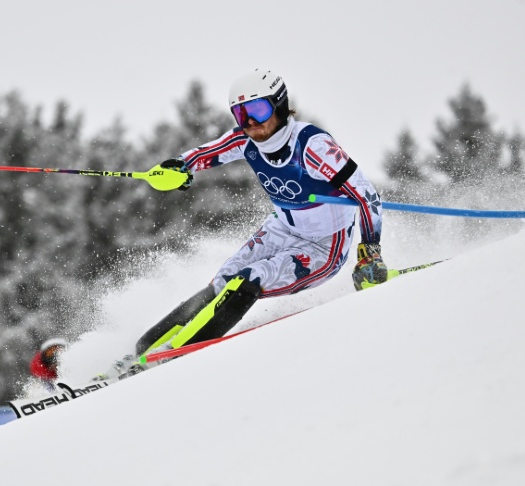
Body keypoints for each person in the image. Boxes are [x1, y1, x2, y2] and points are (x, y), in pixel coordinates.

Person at [104, 68, 387, 377]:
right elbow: (208, 152)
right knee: (225, 277)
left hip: (325, 244)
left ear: (278, 106)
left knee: (251, 278)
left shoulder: (312, 146)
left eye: (257, 110)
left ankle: (173, 358)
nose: (250, 122)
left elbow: (367, 195)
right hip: (282, 227)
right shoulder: (246, 140)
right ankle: (145, 349)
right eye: (240, 114)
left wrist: (370, 250)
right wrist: (180, 166)